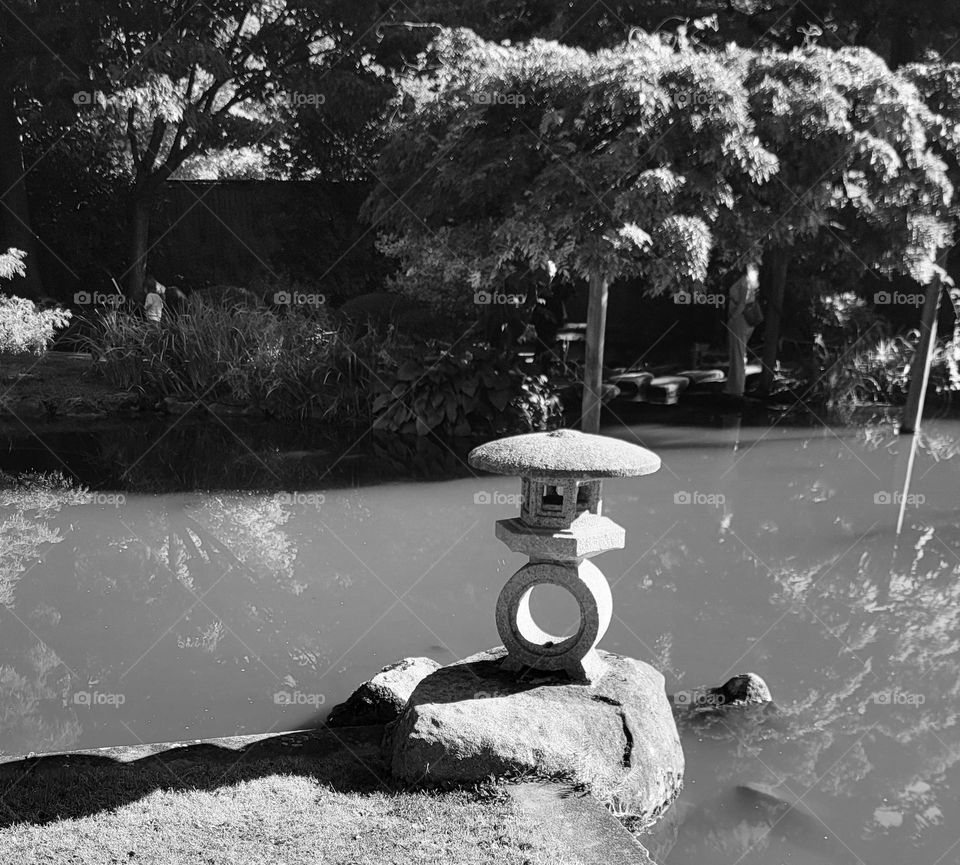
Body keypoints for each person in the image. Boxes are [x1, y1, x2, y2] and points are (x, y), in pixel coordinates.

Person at [724, 262, 760, 397]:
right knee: (737, 353)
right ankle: (733, 386)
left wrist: (732, 318)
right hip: (741, 320)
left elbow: (742, 303)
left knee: (738, 353)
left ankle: (736, 389)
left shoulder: (745, 281)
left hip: (740, 320)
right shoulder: (748, 280)